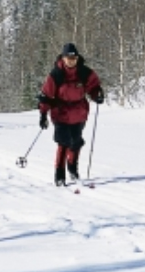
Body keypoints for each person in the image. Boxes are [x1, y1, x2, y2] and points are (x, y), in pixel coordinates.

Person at [38, 42, 104, 186]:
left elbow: (93, 87)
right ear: (63, 58)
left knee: (76, 142)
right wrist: (43, 114)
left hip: (79, 113)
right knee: (63, 143)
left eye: (73, 58)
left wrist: (97, 95)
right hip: (60, 113)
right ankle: (59, 175)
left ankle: (72, 168)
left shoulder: (84, 72)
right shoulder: (56, 74)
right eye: (68, 58)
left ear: (77, 58)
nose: (71, 61)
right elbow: (46, 95)